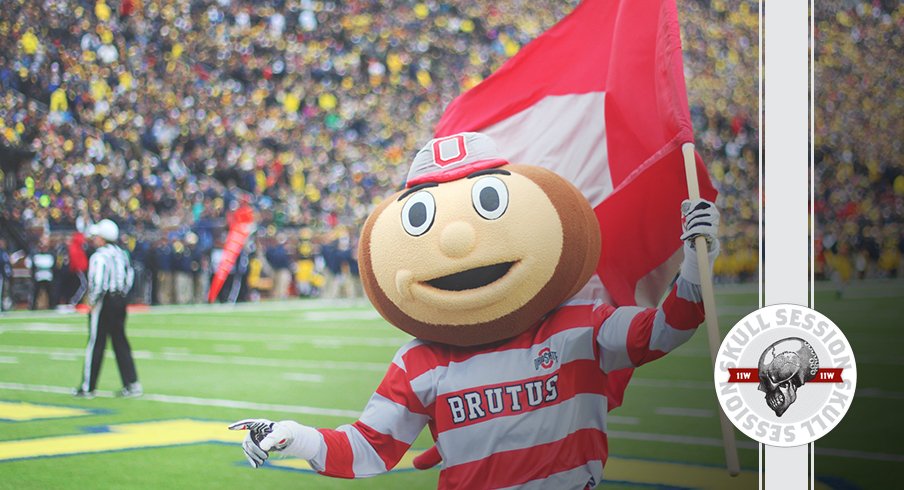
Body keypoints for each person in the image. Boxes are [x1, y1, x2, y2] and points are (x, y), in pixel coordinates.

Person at [74, 219, 142, 399]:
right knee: (121, 342)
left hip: (104, 302)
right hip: (120, 300)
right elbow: (130, 277)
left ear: (103, 238)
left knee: (96, 343)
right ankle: (132, 383)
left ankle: (88, 387)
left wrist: (92, 301)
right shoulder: (122, 254)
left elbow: (97, 282)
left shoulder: (99, 256)